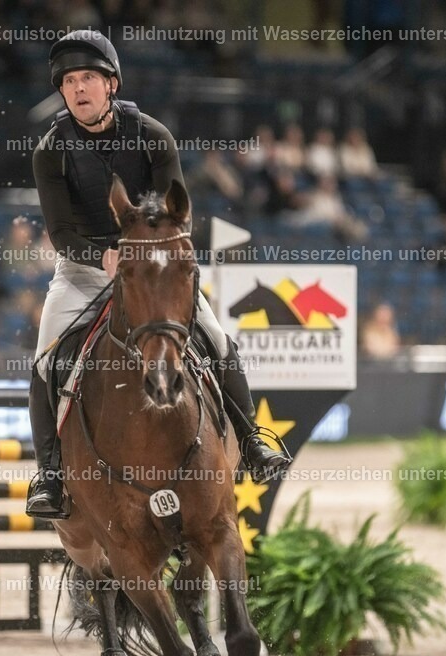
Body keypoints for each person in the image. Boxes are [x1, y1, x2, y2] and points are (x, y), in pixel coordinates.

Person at [25, 31, 290, 518]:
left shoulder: (152, 135)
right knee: (45, 362)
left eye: (88, 78)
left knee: (215, 337)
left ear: (111, 84)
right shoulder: (50, 150)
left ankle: (253, 441)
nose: (78, 88)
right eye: (68, 82)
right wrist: (103, 255)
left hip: (153, 266)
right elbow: (62, 234)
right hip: (83, 269)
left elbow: (177, 214)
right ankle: (50, 475)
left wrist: (141, 255)